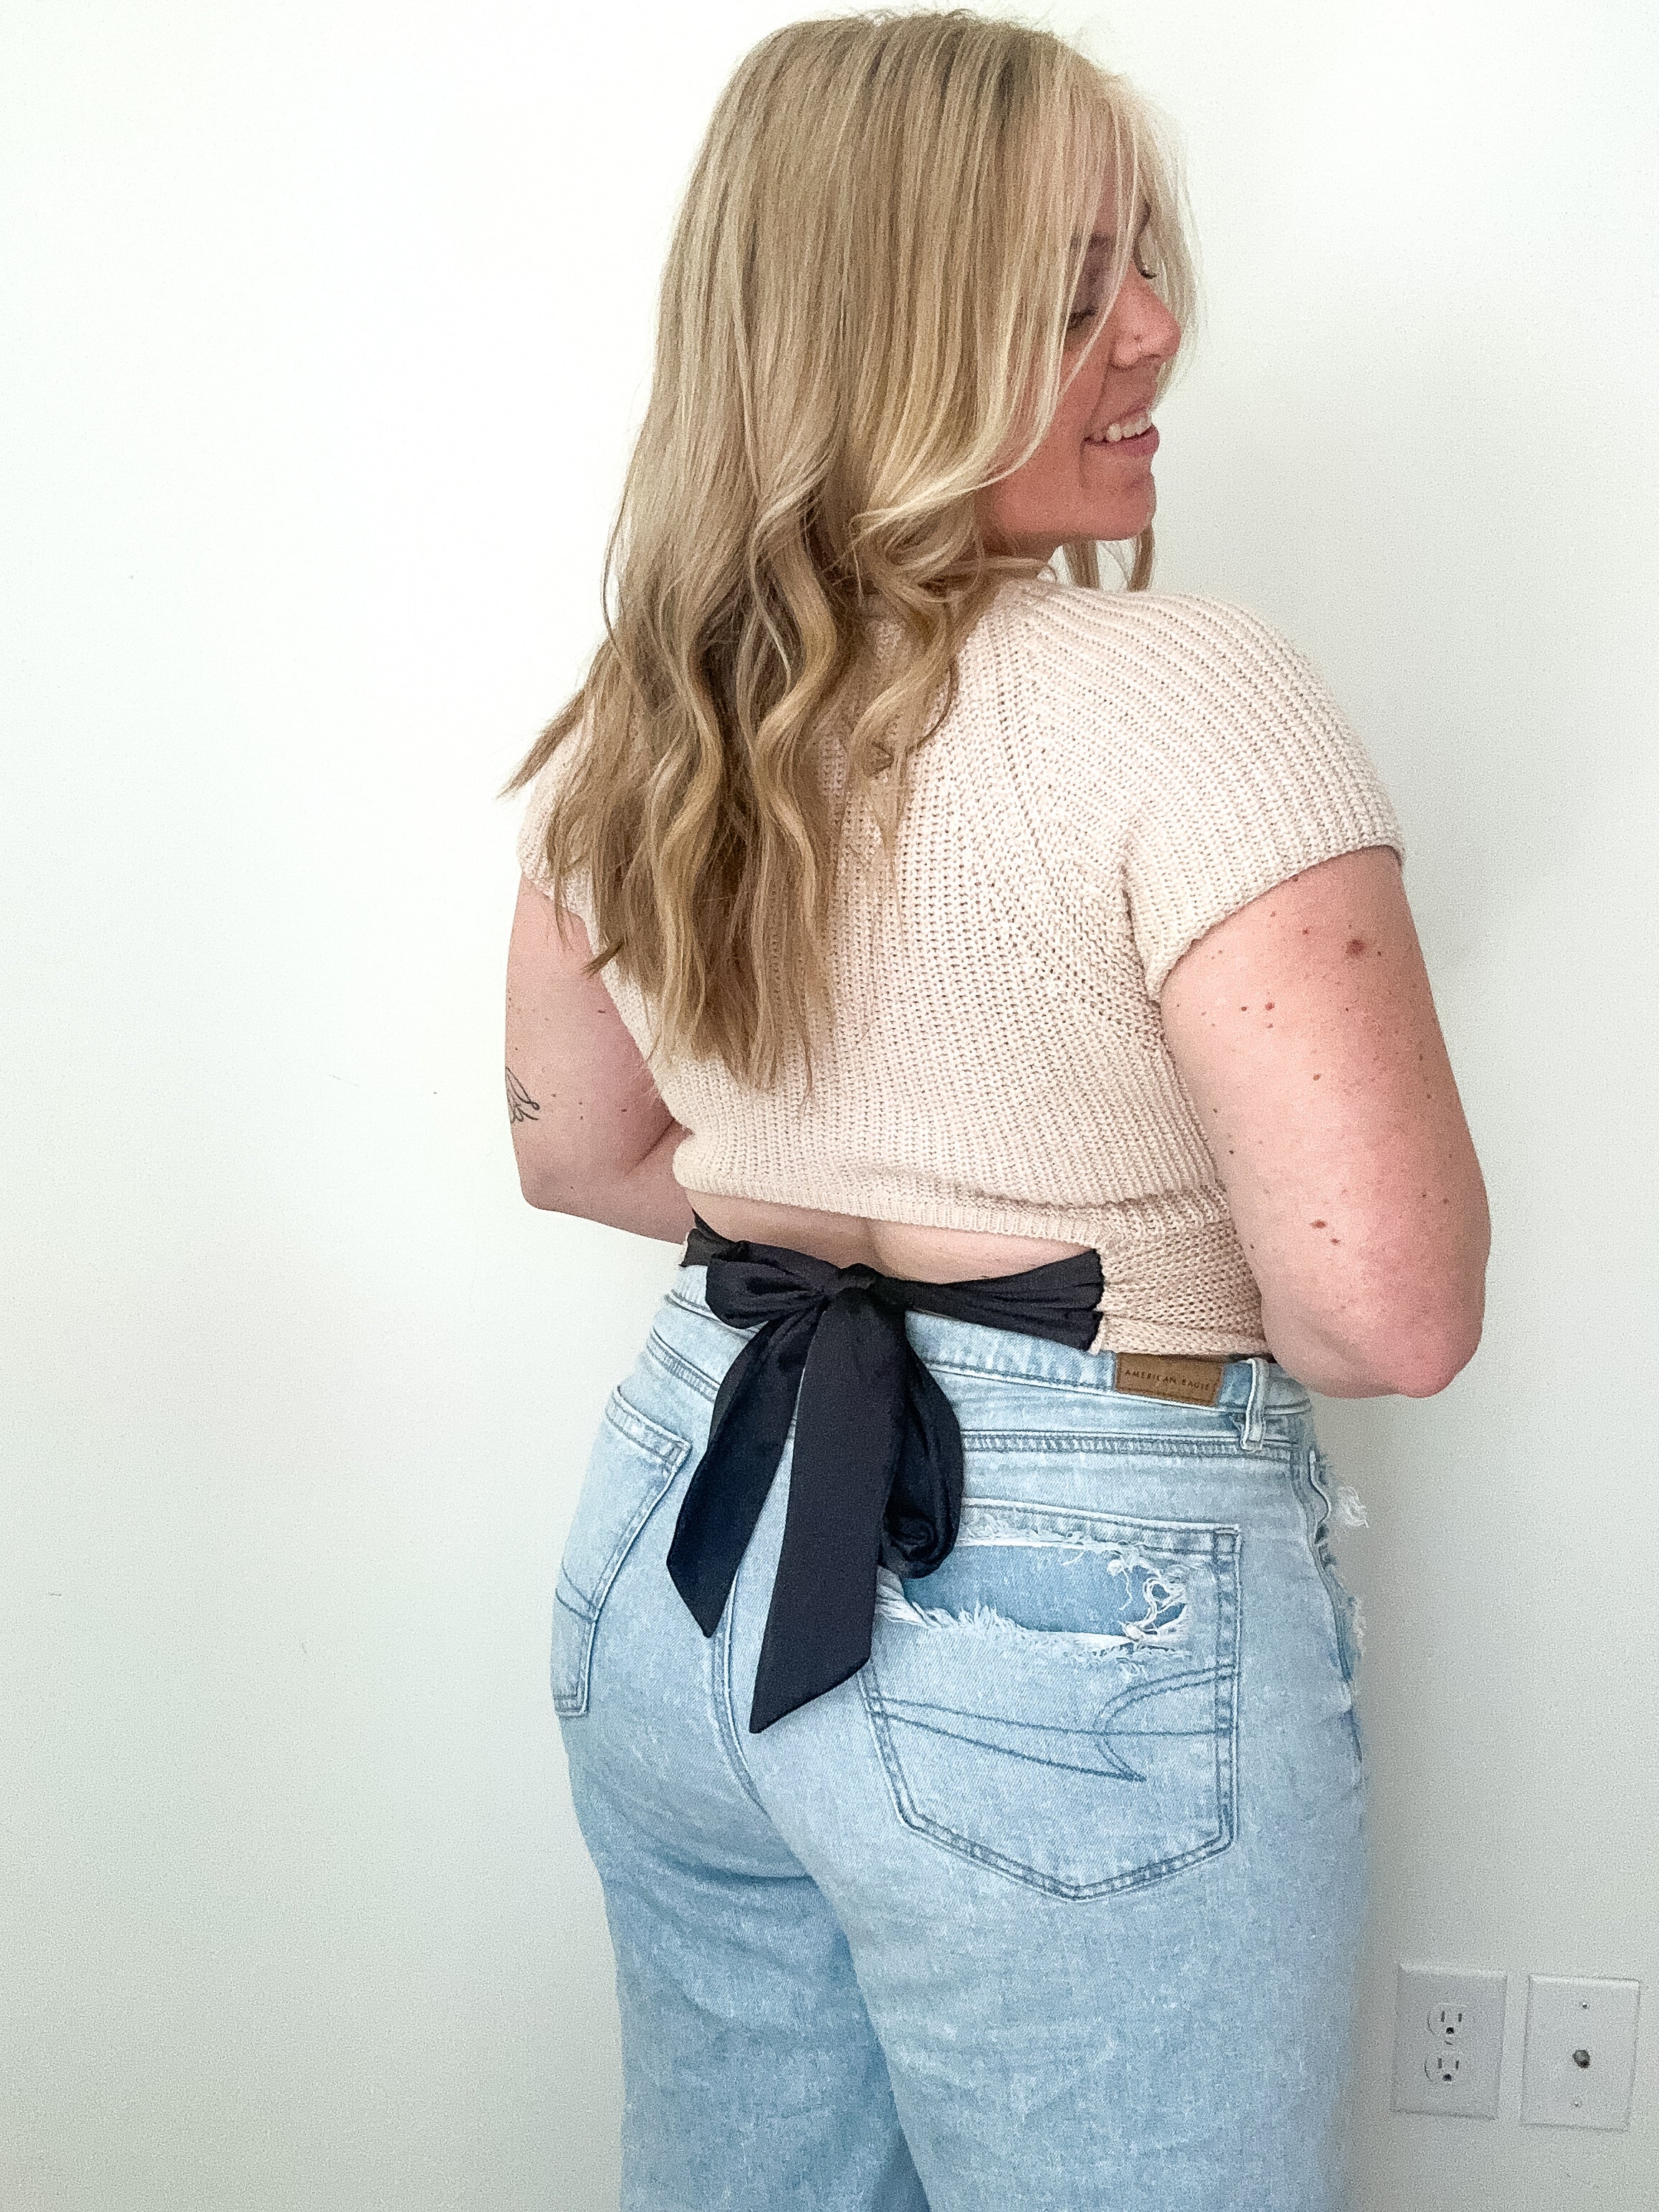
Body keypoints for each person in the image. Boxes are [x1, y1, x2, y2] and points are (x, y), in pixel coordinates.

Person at [501, 13, 1489, 2209]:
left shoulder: (647, 723)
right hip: (1069, 1599)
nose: (1151, 332)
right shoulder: (1183, 695)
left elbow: (576, 1151)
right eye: (1064, 293)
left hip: (683, 1528)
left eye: (1142, 265)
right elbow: (1385, 1316)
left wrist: (857, 1188)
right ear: (877, 329)